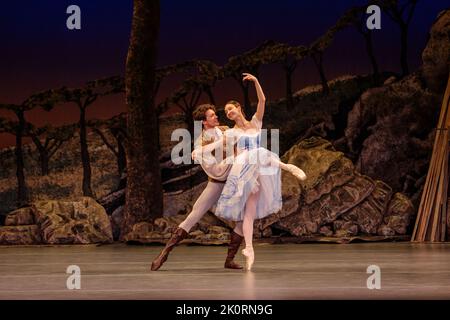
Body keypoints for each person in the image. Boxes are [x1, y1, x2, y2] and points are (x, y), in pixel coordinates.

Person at [193, 73, 306, 271]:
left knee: (250, 212)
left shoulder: (256, 123)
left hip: (258, 168)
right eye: (225, 111)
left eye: (230, 109)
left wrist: (255, 81)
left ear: (239, 108)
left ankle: (249, 249)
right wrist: (198, 150)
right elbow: (218, 146)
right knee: (258, 153)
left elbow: (262, 100)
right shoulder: (231, 132)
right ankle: (287, 167)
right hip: (244, 168)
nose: (227, 113)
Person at [151, 104, 244, 271]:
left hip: (232, 181)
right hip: (216, 183)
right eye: (212, 116)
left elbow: (239, 142)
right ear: (204, 122)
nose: (216, 117)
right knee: (194, 215)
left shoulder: (224, 130)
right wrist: (230, 157)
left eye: (215, 114)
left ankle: (229, 260)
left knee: (243, 219)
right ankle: (164, 253)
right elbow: (217, 172)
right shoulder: (200, 143)